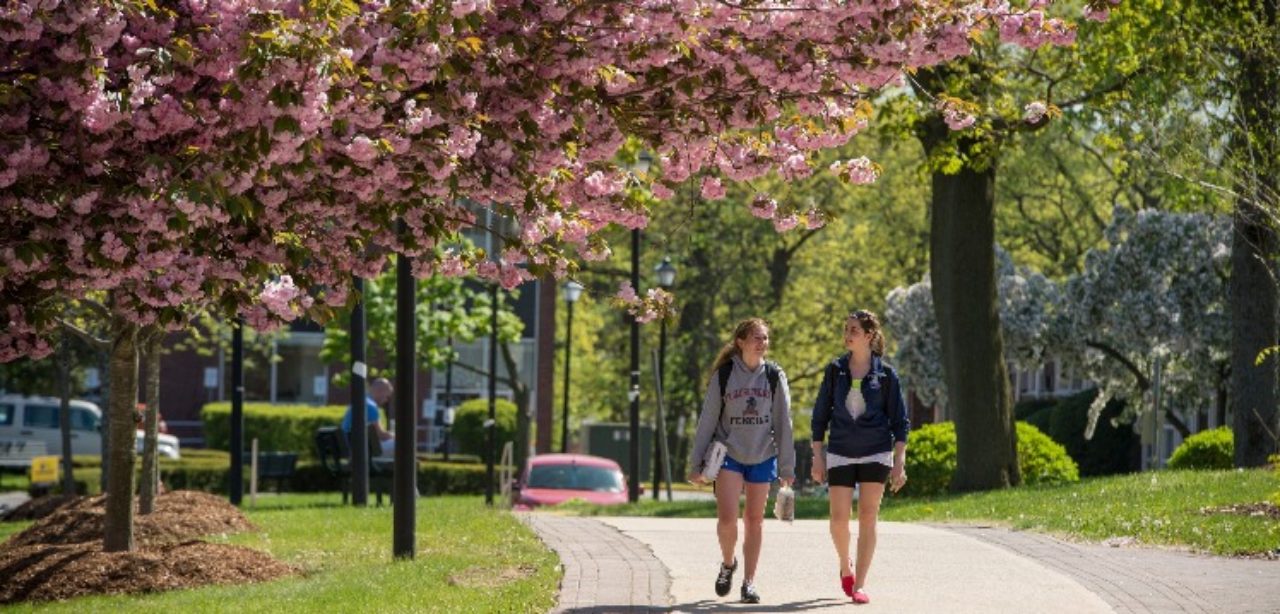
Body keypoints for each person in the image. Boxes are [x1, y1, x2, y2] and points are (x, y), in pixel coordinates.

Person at [687, 318, 795, 605]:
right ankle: (727, 563)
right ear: (741, 342)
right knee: (726, 520)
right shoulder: (724, 376)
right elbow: (707, 421)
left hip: (762, 455)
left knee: (755, 520)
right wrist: (695, 463)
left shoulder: (774, 376)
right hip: (729, 455)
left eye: (765, 339)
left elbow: (784, 423)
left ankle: (749, 583)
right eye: (757, 338)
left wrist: (787, 466)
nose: (763, 343)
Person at [810, 309, 909, 605]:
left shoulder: (887, 375)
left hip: (876, 451)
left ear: (869, 335)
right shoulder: (835, 370)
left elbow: (900, 421)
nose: (847, 333)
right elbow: (819, 416)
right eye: (846, 328)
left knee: (868, 516)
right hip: (840, 450)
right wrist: (817, 456)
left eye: (853, 329)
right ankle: (845, 564)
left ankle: (861, 585)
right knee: (839, 520)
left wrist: (899, 461)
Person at [342, 377, 395, 458]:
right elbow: (380, 435)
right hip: (364, 451)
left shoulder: (359, 401)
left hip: (352, 448)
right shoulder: (371, 406)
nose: (386, 400)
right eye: (387, 396)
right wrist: (394, 435)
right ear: (380, 391)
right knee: (402, 444)